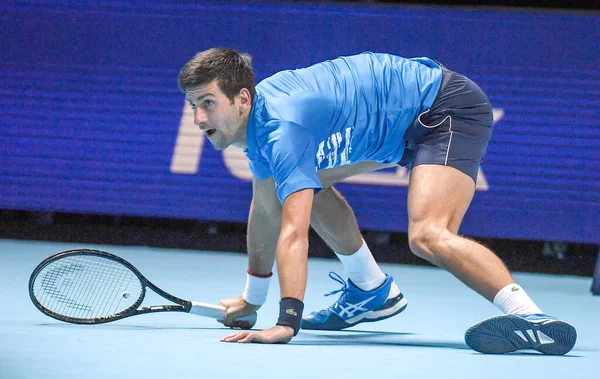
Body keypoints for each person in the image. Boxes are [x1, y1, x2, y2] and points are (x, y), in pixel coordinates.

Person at [177, 48, 577, 354]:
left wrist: (287, 322)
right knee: (293, 188)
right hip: (395, 126)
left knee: (428, 234)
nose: (198, 118)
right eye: (194, 105)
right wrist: (253, 300)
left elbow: (293, 234)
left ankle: (530, 316)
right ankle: (371, 289)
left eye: (208, 103)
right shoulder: (260, 126)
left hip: (443, 107)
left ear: (242, 100)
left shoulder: (283, 129)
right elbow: (266, 209)